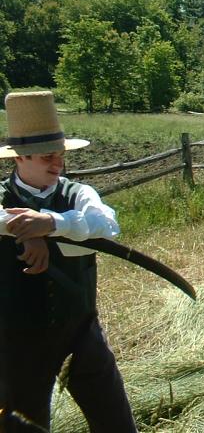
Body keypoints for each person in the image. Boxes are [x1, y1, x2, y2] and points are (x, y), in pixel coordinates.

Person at [0, 91, 137, 432]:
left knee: (116, 423)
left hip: (80, 332)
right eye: (48, 156)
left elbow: (106, 225)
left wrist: (50, 224)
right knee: (23, 426)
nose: (57, 164)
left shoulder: (79, 194)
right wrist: (21, 229)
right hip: (18, 341)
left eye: (60, 156)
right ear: (20, 158)